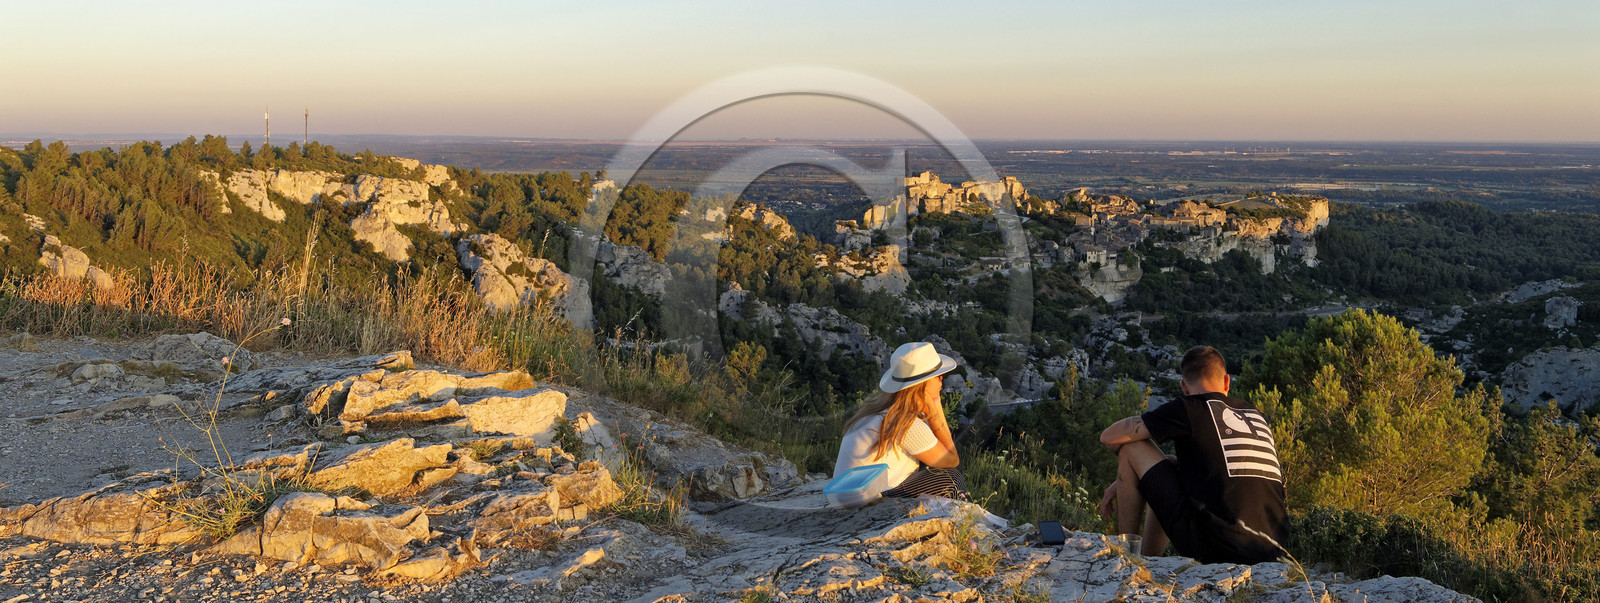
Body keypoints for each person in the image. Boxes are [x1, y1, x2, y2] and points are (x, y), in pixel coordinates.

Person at [1097, 345, 1289, 563]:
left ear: (1184, 388)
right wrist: (1129, 479)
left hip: (1218, 550)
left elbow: (1109, 436)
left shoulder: (1190, 408)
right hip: (1273, 553)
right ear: (1226, 381)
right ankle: (1148, 563)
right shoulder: (1255, 415)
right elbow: (1211, 469)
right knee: (1168, 469)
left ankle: (1127, 557)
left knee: (1131, 447)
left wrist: (1128, 473)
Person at [834, 341, 968, 499]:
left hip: (845, 495)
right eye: (938, 376)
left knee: (933, 462)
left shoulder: (878, 412)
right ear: (921, 385)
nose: (942, 379)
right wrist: (934, 411)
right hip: (867, 499)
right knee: (952, 477)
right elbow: (952, 460)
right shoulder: (905, 422)